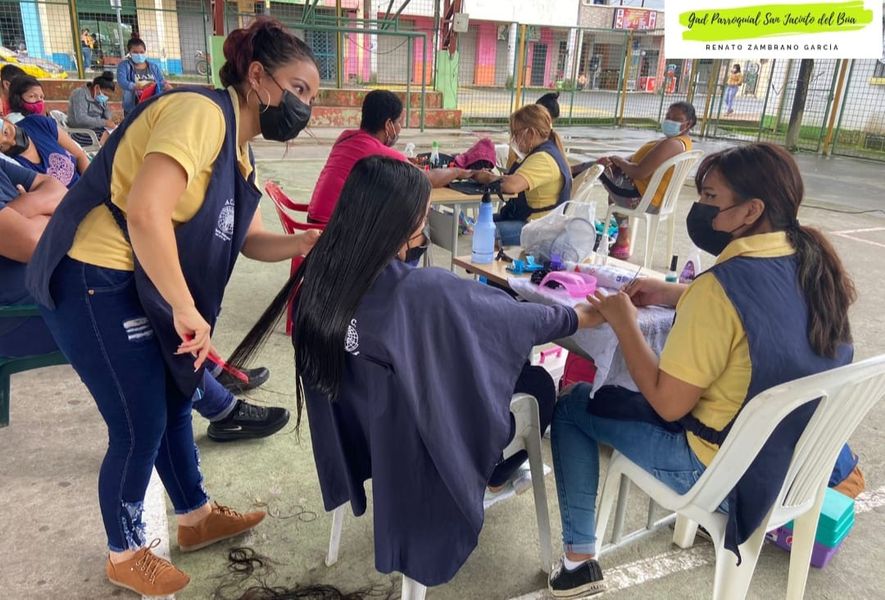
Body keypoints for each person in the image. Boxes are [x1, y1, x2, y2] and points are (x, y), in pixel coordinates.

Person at [25, 18, 321, 596]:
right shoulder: (200, 115)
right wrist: (185, 309)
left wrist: (303, 243)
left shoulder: (238, 151)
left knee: (175, 399)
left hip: (138, 282)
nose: (303, 106)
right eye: (297, 88)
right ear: (257, 76)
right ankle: (124, 551)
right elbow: (145, 211)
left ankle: (195, 516)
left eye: (311, 95)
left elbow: (250, 240)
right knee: (139, 423)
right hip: (95, 276)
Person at [229, 155, 603, 587]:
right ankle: (496, 475)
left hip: (361, 427)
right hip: (413, 439)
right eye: (422, 218)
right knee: (537, 382)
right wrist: (579, 317)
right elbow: (517, 320)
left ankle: (494, 475)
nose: (424, 228)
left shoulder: (322, 275)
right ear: (401, 225)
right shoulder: (421, 294)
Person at [547, 143, 856, 597]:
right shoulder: (811, 263)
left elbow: (668, 404)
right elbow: (761, 314)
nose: (702, 208)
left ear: (751, 210)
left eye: (711, 198)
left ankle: (578, 562)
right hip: (794, 463)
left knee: (574, 405)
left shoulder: (719, 289)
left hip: (722, 474)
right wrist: (675, 293)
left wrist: (625, 323)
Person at [0, 122, 287, 440]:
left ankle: (214, 373)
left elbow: (58, 191)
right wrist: (46, 212)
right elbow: (35, 240)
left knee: (150, 284)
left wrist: (24, 211)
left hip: (48, 286)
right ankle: (223, 410)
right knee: (139, 313)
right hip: (19, 312)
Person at [307, 89, 472, 224]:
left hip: (312, 223)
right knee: (406, 222)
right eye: (399, 123)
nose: (400, 128)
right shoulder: (378, 152)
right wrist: (458, 172)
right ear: (388, 125)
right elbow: (427, 179)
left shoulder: (345, 137)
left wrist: (403, 162)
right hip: (335, 232)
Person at [575, 101, 696, 259]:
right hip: (647, 195)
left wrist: (618, 161)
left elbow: (639, 172)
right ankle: (622, 241)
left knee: (599, 168)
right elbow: (637, 161)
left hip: (642, 198)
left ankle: (567, 172)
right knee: (611, 187)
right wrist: (619, 163)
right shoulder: (679, 141)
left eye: (676, 119)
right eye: (668, 116)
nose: (670, 121)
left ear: (689, 124)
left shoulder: (673, 144)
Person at [472, 103, 572, 246]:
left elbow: (511, 185)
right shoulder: (540, 153)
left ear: (530, 133)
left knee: (485, 230)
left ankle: (488, 259)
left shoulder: (543, 158)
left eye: (516, 134)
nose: (514, 139)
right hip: (531, 221)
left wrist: (487, 178)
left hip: (540, 228)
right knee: (481, 222)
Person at [2, 79, 89, 189]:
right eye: (1, 146)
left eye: (5, 132)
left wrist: (91, 187)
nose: (12, 142)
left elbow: (80, 155)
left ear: (6, 120)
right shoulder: (10, 165)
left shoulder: (38, 123)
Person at [117, 37, 172, 116]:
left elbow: (161, 82)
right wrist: (136, 86)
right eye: (135, 52)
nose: (139, 55)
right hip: (133, 107)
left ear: (145, 52)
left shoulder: (153, 67)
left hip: (152, 105)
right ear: (129, 52)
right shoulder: (124, 66)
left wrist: (166, 86)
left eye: (141, 52)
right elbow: (122, 82)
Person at [67, 71, 118, 146]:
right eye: (105, 94)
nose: (106, 97)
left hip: (96, 129)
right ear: (97, 87)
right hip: (81, 132)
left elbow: (106, 113)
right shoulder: (79, 94)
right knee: (111, 138)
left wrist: (109, 120)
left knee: (118, 133)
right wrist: (105, 122)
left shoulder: (98, 97)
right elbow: (81, 119)